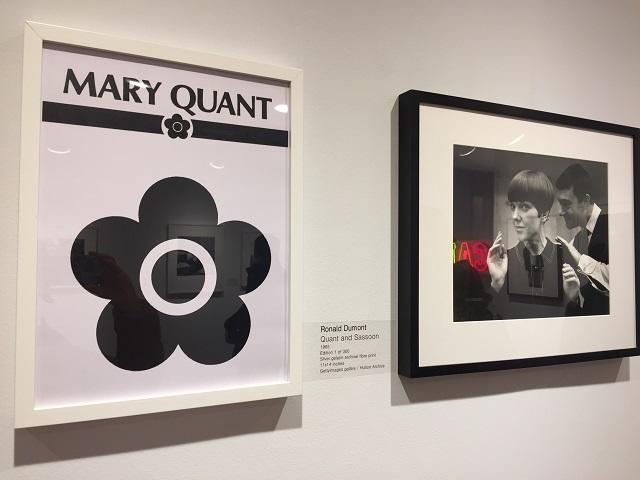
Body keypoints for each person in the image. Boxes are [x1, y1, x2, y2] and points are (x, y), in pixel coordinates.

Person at [486, 170, 580, 319]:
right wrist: (497, 284)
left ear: (544, 214)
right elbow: (494, 321)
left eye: (524, 207)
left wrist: (573, 299)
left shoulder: (565, 258)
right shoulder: (504, 261)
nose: (515, 216)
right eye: (512, 206)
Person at [554, 164, 609, 316]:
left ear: (585, 200)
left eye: (565, 204)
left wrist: (578, 257)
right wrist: (574, 299)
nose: (559, 212)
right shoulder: (577, 239)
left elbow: (620, 284)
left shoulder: (616, 227)